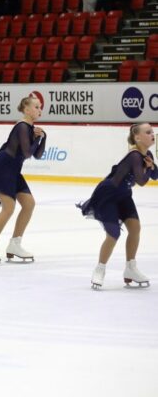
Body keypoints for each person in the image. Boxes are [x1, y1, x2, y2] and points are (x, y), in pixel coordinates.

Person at [78, 124, 157, 289]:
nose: (153, 134)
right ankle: (100, 269)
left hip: (123, 195)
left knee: (135, 228)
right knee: (113, 234)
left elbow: (155, 175)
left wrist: (152, 166)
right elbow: (142, 181)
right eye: (148, 132)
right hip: (108, 195)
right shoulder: (135, 156)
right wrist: (149, 168)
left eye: (153, 131)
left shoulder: (147, 154)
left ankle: (130, 269)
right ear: (137, 138)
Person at [0, 96, 46, 264]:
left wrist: (43, 136)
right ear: (27, 110)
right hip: (3, 167)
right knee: (8, 208)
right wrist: (37, 138)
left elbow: (37, 155)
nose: (39, 110)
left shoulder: (31, 128)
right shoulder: (22, 126)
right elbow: (27, 152)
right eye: (36, 107)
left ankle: (15, 244)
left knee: (29, 204)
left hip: (14, 170)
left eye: (40, 107)